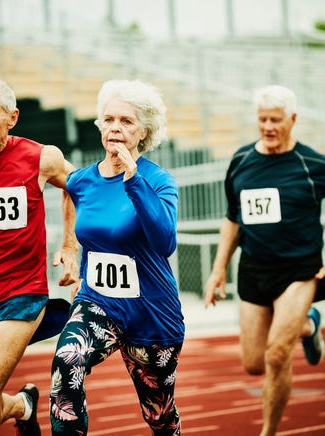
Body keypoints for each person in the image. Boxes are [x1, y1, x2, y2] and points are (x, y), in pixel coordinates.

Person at [49, 79, 185, 435]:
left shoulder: (158, 181)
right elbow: (68, 191)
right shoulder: (84, 181)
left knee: (160, 417)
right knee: (67, 362)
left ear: (144, 132)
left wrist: (132, 178)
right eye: (108, 120)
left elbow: (164, 241)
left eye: (126, 121)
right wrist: (68, 247)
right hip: (98, 303)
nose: (115, 128)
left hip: (151, 314)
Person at [204, 84, 325, 436]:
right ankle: (308, 323)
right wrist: (217, 271)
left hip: (299, 272)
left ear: (293, 120)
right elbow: (232, 219)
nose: (268, 127)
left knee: (276, 354)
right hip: (254, 270)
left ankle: (268, 432)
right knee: (254, 363)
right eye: (262, 120)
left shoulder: (311, 164)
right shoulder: (242, 161)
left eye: (275, 120)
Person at [0, 75, 79, 436]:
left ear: (12, 118)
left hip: (19, 294)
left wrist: (70, 245)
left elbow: (79, 189)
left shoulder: (41, 157)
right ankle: (23, 405)